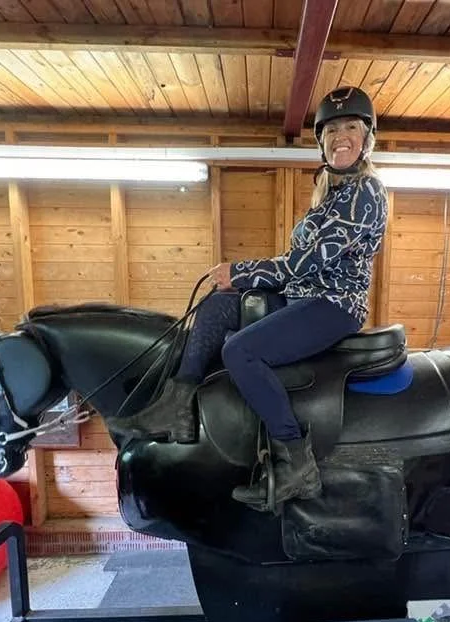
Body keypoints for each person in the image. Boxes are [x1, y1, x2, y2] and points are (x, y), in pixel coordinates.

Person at [111, 86, 388, 509]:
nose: (340, 137)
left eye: (350, 127)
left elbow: (303, 264)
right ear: (322, 140)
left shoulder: (365, 193)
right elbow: (296, 267)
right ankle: (177, 405)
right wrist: (237, 281)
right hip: (302, 297)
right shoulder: (331, 194)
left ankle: (296, 461)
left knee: (240, 351)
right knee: (217, 306)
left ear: (367, 137)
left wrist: (239, 272)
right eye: (331, 130)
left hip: (333, 307)